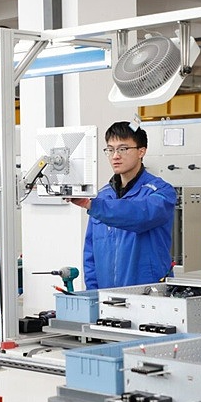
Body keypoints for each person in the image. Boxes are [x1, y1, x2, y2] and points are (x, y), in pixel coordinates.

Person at [68, 121, 176, 290]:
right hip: (108, 296)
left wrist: (93, 205)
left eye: (123, 149)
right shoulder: (102, 196)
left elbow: (140, 215)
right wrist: (93, 294)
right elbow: (91, 253)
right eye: (110, 150)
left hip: (149, 294)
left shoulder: (162, 192)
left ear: (141, 151)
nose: (115, 156)